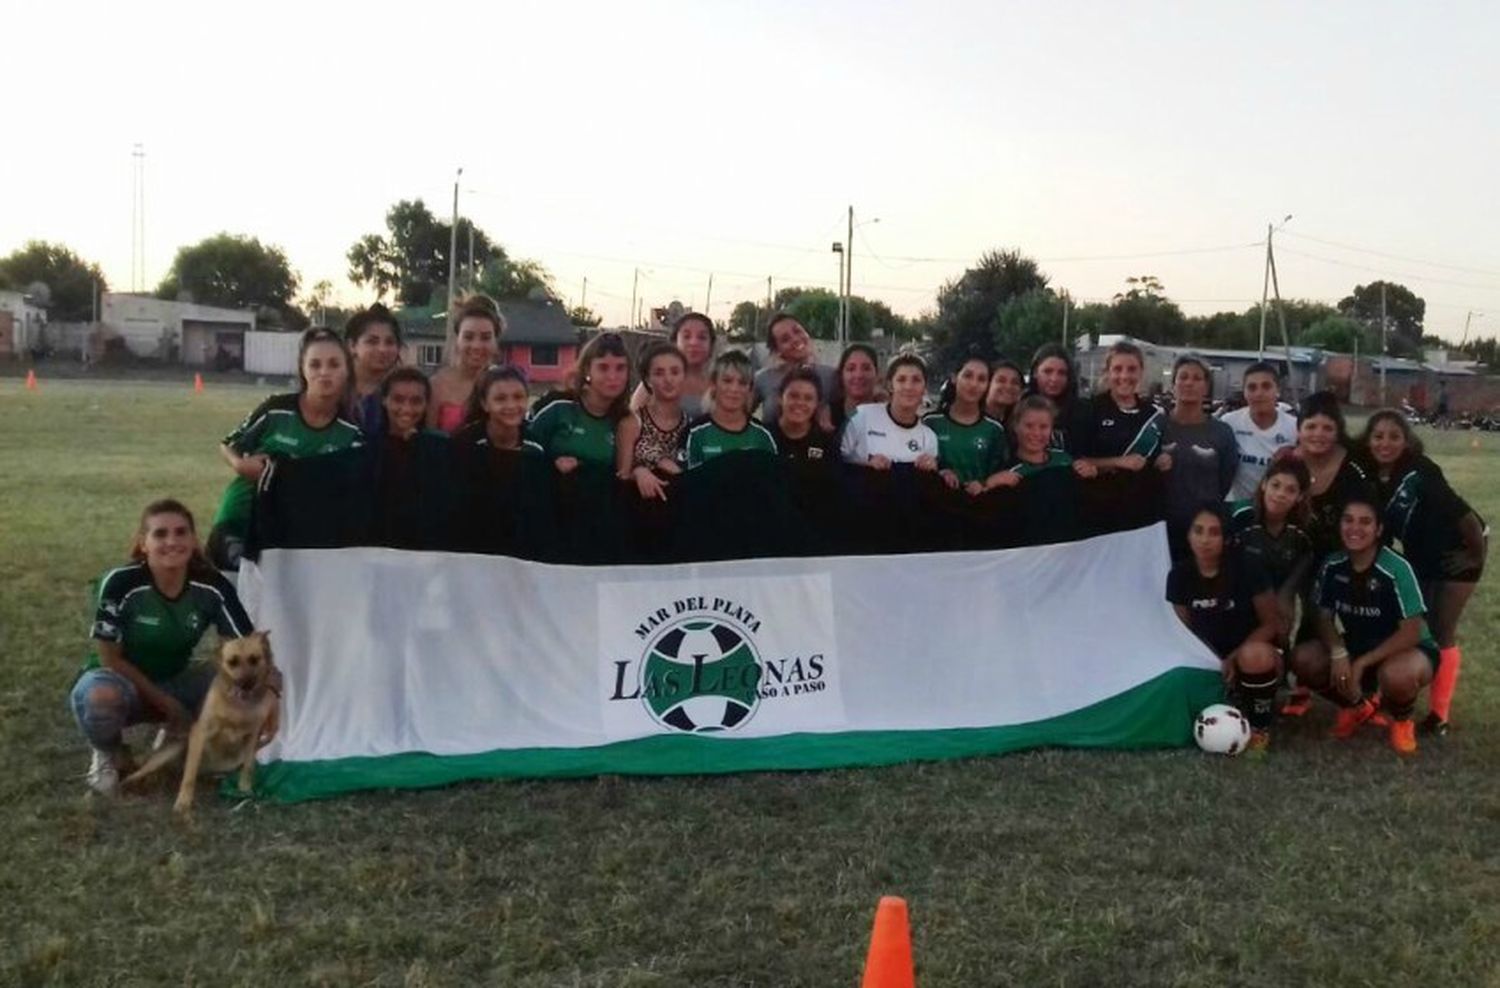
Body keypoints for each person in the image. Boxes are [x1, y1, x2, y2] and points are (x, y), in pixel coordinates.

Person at [71, 499, 263, 795]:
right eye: (160, 534)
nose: (171, 541)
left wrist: (262, 685)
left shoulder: (211, 584)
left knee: (238, 680)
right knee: (100, 697)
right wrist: (165, 702)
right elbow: (109, 657)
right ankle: (108, 752)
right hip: (118, 680)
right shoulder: (120, 582)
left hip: (175, 679)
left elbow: (243, 644)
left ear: (193, 540)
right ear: (143, 543)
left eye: (180, 532)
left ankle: (182, 741)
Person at [1360, 409, 1487, 734]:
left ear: (1407, 441)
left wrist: (1474, 555)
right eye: (1378, 436)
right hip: (1419, 558)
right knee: (1412, 625)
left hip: (1455, 555)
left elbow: (1465, 516)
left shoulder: (1421, 470)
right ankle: (1387, 696)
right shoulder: (1374, 476)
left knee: (1442, 630)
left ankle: (1438, 716)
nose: (1385, 443)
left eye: (1394, 436)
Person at [1291, 492, 1442, 755]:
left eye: (1365, 522)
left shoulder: (1396, 567)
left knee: (1396, 675)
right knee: (1303, 659)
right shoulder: (1333, 565)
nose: (1355, 528)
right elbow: (1323, 617)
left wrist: (1361, 663)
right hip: (1357, 644)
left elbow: (1411, 632)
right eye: (1348, 520)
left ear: (1378, 529)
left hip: (1407, 650)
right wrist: (1338, 651)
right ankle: (1357, 705)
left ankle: (1402, 719)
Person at [209, 327, 364, 568]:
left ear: (347, 371)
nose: (324, 372)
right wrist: (240, 465)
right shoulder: (275, 409)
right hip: (240, 518)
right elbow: (229, 444)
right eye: (315, 365)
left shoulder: (352, 433)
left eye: (334, 364)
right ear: (303, 369)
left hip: (297, 534)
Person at [1166, 503, 1281, 751]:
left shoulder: (1249, 568)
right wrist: (1212, 661)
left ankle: (1260, 726)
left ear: (1226, 537)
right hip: (1209, 659)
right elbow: (1184, 633)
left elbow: (1272, 624)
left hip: (1252, 655)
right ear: (1188, 535)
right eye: (1198, 531)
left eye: (1214, 532)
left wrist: (1234, 657)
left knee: (1255, 656)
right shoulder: (1179, 575)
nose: (1205, 540)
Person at [1229, 459, 1315, 646]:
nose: (1280, 494)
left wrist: (1287, 594)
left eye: (1290, 490)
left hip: (1278, 598)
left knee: (1280, 634)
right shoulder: (1240, 516)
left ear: (1300, 496)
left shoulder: (1304, 527)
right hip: (1239, 598)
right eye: (1275, 485)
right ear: (1264, 484)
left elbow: (1306, 560)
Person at [1160, 355, 1238, 556]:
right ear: (1173, 384)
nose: (1189, 383)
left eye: (1197, 378)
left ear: (1206, 387)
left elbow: (1225, 480)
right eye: (1183, 377)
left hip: (1204, 535)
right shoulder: (1156, 426)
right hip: (1159, 530)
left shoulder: (1222, 432)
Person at [528, 332, 631, 472]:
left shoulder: (626, 422)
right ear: (587, 370)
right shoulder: (558, 408)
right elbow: (525, 454)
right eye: (603, 368)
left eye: (620, 368)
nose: (612, 376)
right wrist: (552, 464)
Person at [1289, 391, 1368, 559]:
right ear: (1298, 430)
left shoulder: (1354, 469)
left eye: (1327, 428)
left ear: (1337, 432)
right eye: (1311, 427)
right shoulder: (1284, 464)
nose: (1318, 434)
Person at [1074, 341, 1167, 477]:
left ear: (1141, 372)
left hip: (1144, 496)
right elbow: (1077, 460)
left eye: (1132, 369)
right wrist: (1119, 462)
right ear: (1107, 372)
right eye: (1117, 369)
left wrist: (1161, 460)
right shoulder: (1090, 409)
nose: (1124, 376)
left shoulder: (1153, 414)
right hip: (1100, 495)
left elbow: (1155, 456)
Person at [923, 355, 1009, 495]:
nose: (974, 384)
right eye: (968, 376)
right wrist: (940, 472)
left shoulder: (994, 429)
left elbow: (1001, 474)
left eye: (981, 379)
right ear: (954, 378)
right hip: (936, 504)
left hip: (979, 507)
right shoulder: (931, 422)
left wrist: (984, 485)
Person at [840, 354, 940, 471]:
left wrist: (932, 467)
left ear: (924, 388)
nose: (908, 387)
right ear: (890, 386)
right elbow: (835, 460)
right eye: (901, 380)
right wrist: (866, 465)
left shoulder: (928, 437)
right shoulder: (862, 416)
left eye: (916, 380)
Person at [618, 342, 689, 500]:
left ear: (684, 376)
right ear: (648, 380)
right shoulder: (632, 422)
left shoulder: (691, 425)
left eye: (675, 372)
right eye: (659, 373)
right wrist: (638, 472)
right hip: (640, 509)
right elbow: (621, 476)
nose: (668, 379)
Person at [1219, 361, 1298, 501]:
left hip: (1278, 507)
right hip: (1238, 508)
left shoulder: (1294, 427)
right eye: (1252, 387)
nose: (1259, 393)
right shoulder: (1229, 422)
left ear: (1277, 390)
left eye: (1266, 386)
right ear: (1244, 392)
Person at [686, 350, 778, 468]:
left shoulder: (763, 435)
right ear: (713, 384)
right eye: (727, 381)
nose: (734, 389)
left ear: (750, 389)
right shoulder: (694, 434)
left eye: (742, 383)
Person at [428, 295, 502, 433]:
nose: (476, 346)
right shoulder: (436, 386)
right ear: (457, 339)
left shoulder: (504, 384)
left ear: (495, 342)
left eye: (485, 338)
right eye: (468, 337)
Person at [752, 314, 837, 426]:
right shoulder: (763, 379)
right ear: (777, 350)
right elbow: (739, 413)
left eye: (797, 331)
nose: (795, 339)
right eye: (785, 339)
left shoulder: (831, 376)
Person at [630, 311, 713, 420]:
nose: (694, 342)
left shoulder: (722, 384)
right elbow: (631, 421)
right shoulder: (655, 380)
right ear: (674, 342)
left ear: (711, 344)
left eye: (702, 337)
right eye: (686, 336)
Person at [453, 364, 544, 458]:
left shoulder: (535, 446)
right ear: (485, 404)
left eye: (518, 397)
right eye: (500, 399)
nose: (511, 405)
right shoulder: (465, 443)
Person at [345, 303, 403, 436]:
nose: (382, 349)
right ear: (352, 346)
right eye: (372, 341)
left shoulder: (403, 393)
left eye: (389, 342)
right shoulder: (335, 391)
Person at [1023, 343, 1088, 453]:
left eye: (1062, 373)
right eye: (1048, 371)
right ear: (1035, 372)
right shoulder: (1020, 406)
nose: (1054, 379)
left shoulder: (1083, 411)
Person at [769, 366, 839, 461]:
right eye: (793, 396)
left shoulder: (827, 443)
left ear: (817, 404)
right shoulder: (763, 437)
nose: (800, 403)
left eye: (808, 398)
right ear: (780, 398)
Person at [829, 343, 881, 434]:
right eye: (851, 369)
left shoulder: (888, 414)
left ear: (877, 374)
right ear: (841, 375)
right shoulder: (827, 418)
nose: (858, 375)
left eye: (866, 368)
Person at [984, 360, 1025, 427]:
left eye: (1015, 382)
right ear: (988, 384)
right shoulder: (971, 417)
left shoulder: (1017, 422)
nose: (1008, 386)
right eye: (1001, 381)